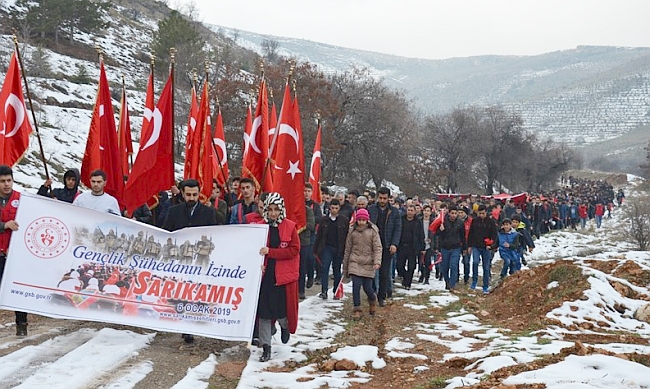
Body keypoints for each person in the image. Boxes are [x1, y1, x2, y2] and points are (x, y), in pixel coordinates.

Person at [162, 179, 217, 343]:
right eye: (188, 195)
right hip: (181, 260)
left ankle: (194, 323)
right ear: (182, 194)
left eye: (195, 194)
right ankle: (186, 327)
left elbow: (214, 235)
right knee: (182, 292)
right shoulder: (174, 211)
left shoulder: (209, 213)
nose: (191, 198)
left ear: (199, 194)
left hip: (200, 261)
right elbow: (166, 233)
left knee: (197, 292)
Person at [256, 193, 300, 362]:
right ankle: (266, 347)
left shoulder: (290, 227)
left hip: (281, 277)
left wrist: (271, 252)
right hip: (264, 276)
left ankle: (284, 326)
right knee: (264, 314)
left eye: (276, 209)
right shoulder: (260, 227)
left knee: (281, 311)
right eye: (270, 210)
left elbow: (294, 250)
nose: (273, 213)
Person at [0, 165, 29, 336]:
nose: (6, 184)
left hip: (14, 254)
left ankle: (22, 325)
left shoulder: (22, 199)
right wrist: (4, 225)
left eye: (9, 180)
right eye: (2, 181)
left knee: (17, 291)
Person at [343, 208, 382, 319]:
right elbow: (348, 248)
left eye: (363, 220)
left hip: (368, 262)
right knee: (356, 286)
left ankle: (372, 299)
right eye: (359, 220)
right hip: (355, 261)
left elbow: (378, 248)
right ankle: (357, 309)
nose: (361, 222)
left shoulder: (372, 231)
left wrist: (377, 261)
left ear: (367, 220)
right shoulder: (352, 231)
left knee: (367, 287)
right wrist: (345, 267)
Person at [368, 187, 401, 307]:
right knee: (371, 271)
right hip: (373, 245)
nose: (382, 200)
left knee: (384, 273)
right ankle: (372, 294)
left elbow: (397, 229)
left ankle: (381, 296)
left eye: (384, 198)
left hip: (387, 245)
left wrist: (394, 244)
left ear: (388, 198)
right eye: (380, 198)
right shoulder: (371, 209)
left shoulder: (394, 212)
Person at [313, 199, 349, 300]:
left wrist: (346, 250)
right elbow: (319, 235)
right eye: (332, 208)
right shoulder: (324, 220)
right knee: (325, 268)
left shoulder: (344, 220)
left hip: (339, 248)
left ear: (339, 208)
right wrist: (316, 250)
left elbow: (346, 236)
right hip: (327, 247)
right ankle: (324, 291)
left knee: (337, 270)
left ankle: (336, 290)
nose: (334, 210)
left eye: (336, 208)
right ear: (329, 208)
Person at [467, 204, 498, 294]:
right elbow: (470, 234)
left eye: (483, 213)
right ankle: (474, 281)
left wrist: (492, 245)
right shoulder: (474, 221)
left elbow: (494, 235)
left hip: (486, 247)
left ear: (486, 213)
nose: (481, 215)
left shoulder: (491, 222)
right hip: (476, 246)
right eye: (480, 213)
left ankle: (485, 285)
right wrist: (469, 246)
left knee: (486, 267)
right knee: (475, 262)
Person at [435, 205, 466, 291]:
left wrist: (464, 248)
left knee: (454, 265)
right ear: (449, 213)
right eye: (452, 213)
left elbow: (463, 236)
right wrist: (441, 230)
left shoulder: (460, 223)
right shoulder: (443, 221)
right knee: (445, 267)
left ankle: (452, 284)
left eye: (455, 213)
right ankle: (447, 281)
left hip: (456, 247)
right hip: (445, 247)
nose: (454, 215)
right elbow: (437, 234)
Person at [395, 204, 425, 290]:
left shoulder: (418, 222)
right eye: (409, 210)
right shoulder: (401, 220)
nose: (410, 212)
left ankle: (408, 283)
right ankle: (405, 277)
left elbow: (421, 235)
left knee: (411, 266)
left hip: (413, 247)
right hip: (401, 246)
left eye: (412, 210)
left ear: (415, 212)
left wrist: (422, 247)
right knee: (399, 266)